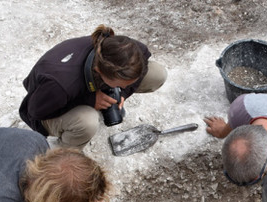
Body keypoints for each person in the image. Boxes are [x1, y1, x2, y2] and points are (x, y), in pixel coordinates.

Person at [19, 24, 167, 148]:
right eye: (120, 85)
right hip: (43, 104)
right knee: (87, 122)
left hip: (77, 85)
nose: (126, 87)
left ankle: (105, 96)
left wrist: (123, 93)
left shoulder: (125, 49)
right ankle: (65, 152)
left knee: (157, 74)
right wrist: (89, 100)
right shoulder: (60, 86)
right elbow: (34, 112)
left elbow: (143, 64)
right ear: (99, 72)